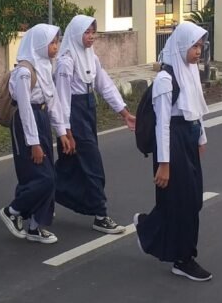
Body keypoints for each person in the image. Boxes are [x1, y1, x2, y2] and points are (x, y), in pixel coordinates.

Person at [134, 22, 212, 282]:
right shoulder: (165, 80)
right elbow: (162, 125)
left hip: (188, 138)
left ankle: (147, 227)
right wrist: (164, 163)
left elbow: (195, 109)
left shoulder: (190, 71)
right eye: (194, 46)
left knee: (192, 200)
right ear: (180, 46)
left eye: (200, 46)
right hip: (173, 141)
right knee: (183, 201)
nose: (198, 52)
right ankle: (183, 258)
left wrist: (201, 136)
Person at [54, 15, 137, 234]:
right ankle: (100, 214)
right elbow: (61, 99)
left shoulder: (90, 57)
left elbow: (104, 85)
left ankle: (44, 195)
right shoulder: (66, 61)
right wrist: (66, 131)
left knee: (68, 165)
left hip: (88, 110)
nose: (91, 37)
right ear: (75, 34)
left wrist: (124, 113)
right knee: (93, 165)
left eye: (93, 32)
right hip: (74, 116)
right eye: (86, 32)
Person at [0, 24, 73, 244]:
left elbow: (52, 101)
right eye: (51, 42)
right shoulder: (23, 72)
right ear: (39, 44)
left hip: (40, 118)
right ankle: (13, 210)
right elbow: (23, 109)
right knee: (42, 177)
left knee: (49, 173)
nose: (55, 47)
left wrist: (61, 132)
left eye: (57, 42)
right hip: (26, 123)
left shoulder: (46, 66)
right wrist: (34, 143)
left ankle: (34, 226)